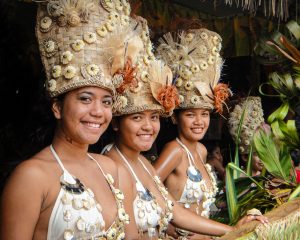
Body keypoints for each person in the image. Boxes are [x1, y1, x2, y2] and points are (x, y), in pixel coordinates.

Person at [103, 22, 268, 239]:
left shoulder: (143, 164)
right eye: (136, 117)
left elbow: (173, 210)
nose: (148, 126)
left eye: (153, 117)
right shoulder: (109, 164)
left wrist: (233, 230)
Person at [0, 1, 139, 239]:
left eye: (106, 102)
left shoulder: (109, 169)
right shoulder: (31, 176)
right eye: (85, 99)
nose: (98, 111)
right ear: (57, 108)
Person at [152, 29, 233, 239]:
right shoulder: (174, 150)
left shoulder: (201, 150)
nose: (199, 122)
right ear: (175, 117)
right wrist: (169, 228)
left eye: (204, 114)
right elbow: (145, 189)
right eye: (190, 114)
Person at [228, 97, 265, 177]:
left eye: (263, 153)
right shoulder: (235, 177)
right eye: (256, 154)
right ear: (245, 157)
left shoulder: (268, 178)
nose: (262, 159)